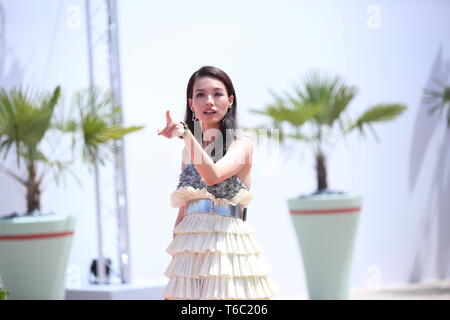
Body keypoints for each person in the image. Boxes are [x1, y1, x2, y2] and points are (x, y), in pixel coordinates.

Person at [157, 66, 279, 300]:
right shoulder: (188, 151)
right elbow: (184, 207)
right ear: (191, 103)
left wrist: (185, 135)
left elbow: (212, 175)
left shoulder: (242, 144)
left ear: (230, 100)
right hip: (190, 247)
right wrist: (177, 262)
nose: (209, 101)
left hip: (227, 245)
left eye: (217, 93)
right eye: (200, 94)